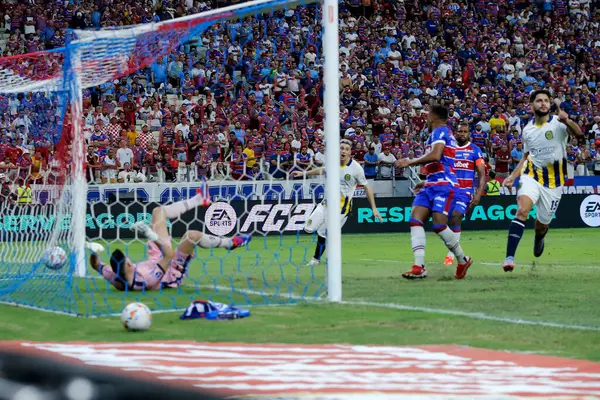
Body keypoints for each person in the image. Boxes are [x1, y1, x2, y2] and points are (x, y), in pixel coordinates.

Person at [86, 189, 251, 291]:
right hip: (172, 269)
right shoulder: (146, 280)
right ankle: (230, 243)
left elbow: (96, 265)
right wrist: (150, 235)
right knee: (192, 235)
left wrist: (94, 252)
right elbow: (169, 255)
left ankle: (198, 200)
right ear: (128, 265)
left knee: (158, 212)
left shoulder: (115, 277)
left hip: (157, 257)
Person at [502, 90, 583, 272]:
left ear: (550, 105)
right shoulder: (527, 130)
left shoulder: (559, 123)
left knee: (542, 225)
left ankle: (539, 237)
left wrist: (567, 120)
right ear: (532, 105)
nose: (543, 103)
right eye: (539, 100)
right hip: (531, 176)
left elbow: (580, 136)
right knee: (522, 210)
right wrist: (513, 176)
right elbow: (526, 156)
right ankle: (509, 258)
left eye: (546, 100)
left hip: (554, 182)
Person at [395, 105, 473, 280]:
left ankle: (463, 259)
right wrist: (426, 180)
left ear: (431, 117)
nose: (426, 120)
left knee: (439, 225)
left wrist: (410, 161)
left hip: (444, 186)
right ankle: (419, 266)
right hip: (432, 184)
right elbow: (444, 161)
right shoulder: (445, 134)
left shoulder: (439, 132)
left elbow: (436, 156)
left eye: (427, 116)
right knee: (415, 220)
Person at [292, 139, 382, 267]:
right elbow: (322, 170)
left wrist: (374, 208)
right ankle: (328, 246)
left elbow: (367, 187)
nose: (343, 151)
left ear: (350, 152)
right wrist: (303, 173)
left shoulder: (356, 169)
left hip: (341, 209)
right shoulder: (332, 163)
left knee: (323, 232)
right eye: (341, 148)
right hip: (325, 204)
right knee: (308, 228)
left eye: (346, 149)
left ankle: (316, 259)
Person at [442, 122, 486, 266]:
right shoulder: (449, 150)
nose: (462, 133)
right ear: (455, 133)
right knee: (443, 223)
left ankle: (451, 255)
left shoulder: (475, 150)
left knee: (456, 216)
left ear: (469, 134)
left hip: (464, 192)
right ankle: (454, 250)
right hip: (448, 191)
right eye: (459, 131)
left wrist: (479, 193)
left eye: (465, 131)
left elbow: (481, 173)